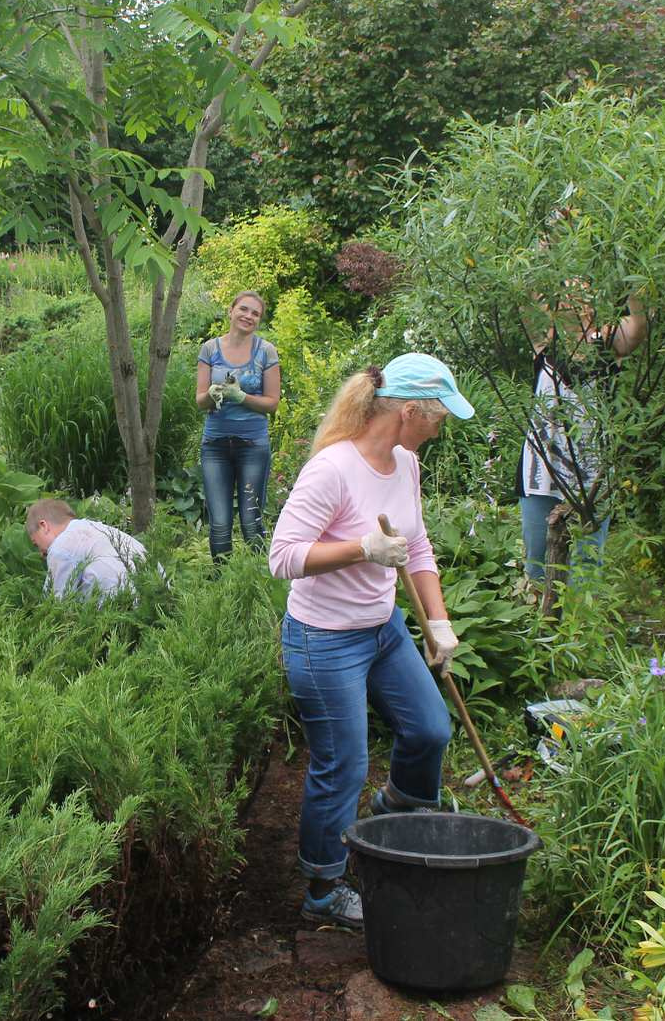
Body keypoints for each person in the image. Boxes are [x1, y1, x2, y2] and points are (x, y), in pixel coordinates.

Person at [268, 353, 472, 930]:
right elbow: (282, 557)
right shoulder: (332, 469)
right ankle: (323, 888)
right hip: (323, 640)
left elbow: (419, 545)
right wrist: (361, 548)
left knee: (431, 729)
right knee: (343, 766)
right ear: (409, 412)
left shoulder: (406, 463)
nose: (441, 427)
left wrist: (437, 622)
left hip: (381, 630)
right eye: (438, 417)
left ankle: (390, 824)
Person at [518, 273, 646, 585]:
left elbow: (640, 323)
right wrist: (549, 242)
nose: (574, 296)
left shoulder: (608, 339)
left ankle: (580, 628)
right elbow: (523, 289)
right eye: (564, 289)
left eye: (582, 289)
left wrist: (635, 270)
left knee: (587, 564)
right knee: (537, 562)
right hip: (542, 467)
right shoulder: (544, 340)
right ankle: (540, 625)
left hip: (592, 468)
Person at [196, 291, 281, 560]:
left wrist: (241, 397)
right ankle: (221, 588)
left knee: (250, 522)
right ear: (231, 310)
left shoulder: (265, 351)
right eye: (243, 309)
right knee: (219, 523)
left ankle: (258, 583)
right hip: (215, 446)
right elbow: (199, 401)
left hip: (252, 445)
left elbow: (272, 403)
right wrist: (213, 393)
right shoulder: (210, 349)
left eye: (255, 313)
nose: (248, 316)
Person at [26, 498, 149, 600]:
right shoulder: (100, 529)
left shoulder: (61, 546)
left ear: (44, 526)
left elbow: (56, 605)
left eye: (36, 544)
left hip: (122, 616)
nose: (41, 553)